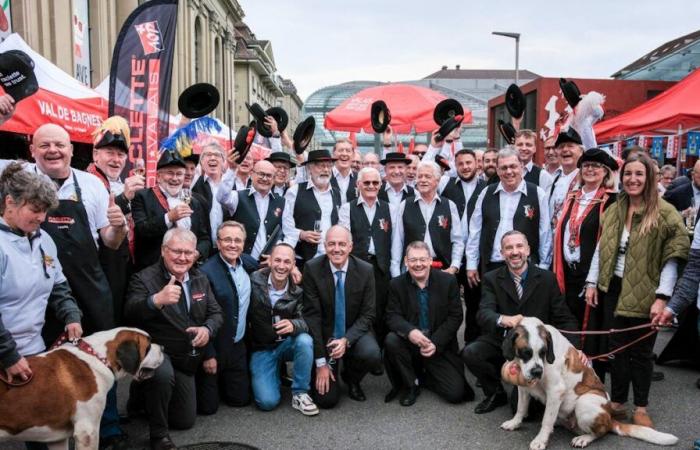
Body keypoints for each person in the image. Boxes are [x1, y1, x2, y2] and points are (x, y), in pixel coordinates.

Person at [584, 153, 689, 428]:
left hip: (647, 292)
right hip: (614, 288)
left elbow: (672, 257)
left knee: (641, 353)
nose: (633, 179)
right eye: (628, 173)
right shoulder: (614, 208)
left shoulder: (665, 213)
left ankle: (641, 407)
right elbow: (601, 249)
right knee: (616, 349)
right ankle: (618, 401)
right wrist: (593, 283)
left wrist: (662, 297)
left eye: (639, 174)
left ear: (649, 177)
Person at [0, 164, 83, 450]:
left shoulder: (44, 239)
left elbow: (58, 284)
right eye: (35, 209)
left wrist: (71, 314)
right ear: (10, 202)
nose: (42, 217)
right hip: (6, 352)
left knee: (40, 424)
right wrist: (8, 355)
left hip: (33, 349)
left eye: (45, 210)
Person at [125, 228, 223, 450]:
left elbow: (216, 313)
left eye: (188, 253)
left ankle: (143, 396)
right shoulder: (144, 278)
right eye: (176, 251)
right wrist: (155, 300)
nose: (182, 257)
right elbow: (130, 312)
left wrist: (207, 329)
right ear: (163, 250)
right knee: (161, 374)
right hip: (157, 350)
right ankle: (158, 436)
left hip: (187, 357)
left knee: (184, 421)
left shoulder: (200, 278)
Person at [461, 231, 578, 414]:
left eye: (519, 246)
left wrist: (575, 350)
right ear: (502, 253)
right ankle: (495, 393)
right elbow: (483, 314)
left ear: (528, 250)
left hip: (534, 350)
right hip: (504, 341)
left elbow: (564, 317)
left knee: (528, 413)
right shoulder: (491, 278)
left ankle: (524, 391)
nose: (515, 252)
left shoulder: (547, 278)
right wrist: (503, 319)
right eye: (509, 248)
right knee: (471, 353)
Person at [552, 148, 618, 380]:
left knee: (592, 329)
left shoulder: (611, 201)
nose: (590, 169)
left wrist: (593, 279)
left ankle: (592, 380)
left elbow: (606, 244)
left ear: (605, 172)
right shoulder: (573, 197)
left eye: (596, 166)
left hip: (592, 274)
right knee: (568, 323)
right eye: (586, 165)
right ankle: (569, 376)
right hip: (568, 273)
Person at [384, 241, 474, 406]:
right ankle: (411, 384)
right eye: (413, 260)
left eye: (423, 259)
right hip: (411, 343)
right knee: (391, 340)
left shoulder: (448, 282)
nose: (418, 264)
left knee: (456, 394)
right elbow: (392, 316)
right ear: (406, 261)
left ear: (430, 261)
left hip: (439, 344)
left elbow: (455, 317)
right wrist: (410, 332)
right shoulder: (396, 284)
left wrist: (435, 343)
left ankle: (423, 375)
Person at [302, 225, 381, 408]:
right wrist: (321, 363)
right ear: (324, 245)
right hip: (325, 336)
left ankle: (352, 378)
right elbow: (312, 318)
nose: (336, 249)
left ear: (350, 247)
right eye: (331, 244)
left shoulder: (366, 270)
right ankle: (330, 368)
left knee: (372, 353)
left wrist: (346, 340)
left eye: (342, 244)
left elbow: (368, 314)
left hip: (353, 332)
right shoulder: (312, 269)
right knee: (326, 401)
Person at [247, 243, 319, 415]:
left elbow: (308, 320)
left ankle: (300, 392)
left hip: (286, 344)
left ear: (294, 264)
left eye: (287, 262)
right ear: (269, 261)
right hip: (262, 348)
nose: (281, 266)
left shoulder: (298, 290)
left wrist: (294, 325)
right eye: (277, 260)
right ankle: (275, 373)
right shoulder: (253, 280)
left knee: (305, 340)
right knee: (267, 402)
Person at [89, 116, 145, 325]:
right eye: (109, 153)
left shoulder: (119, 182)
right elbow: (101, 220)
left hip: (124, 265)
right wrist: (124, 199)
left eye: (120, 154)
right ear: (96, 154)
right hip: (102, 267)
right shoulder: (89, 181)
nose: (116, 159)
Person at [466, 147, 552, 283]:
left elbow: (545, 233)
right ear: (498, 170)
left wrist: (543, 266)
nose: (509, 172)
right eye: (504, 168)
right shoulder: (486, 192)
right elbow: (475, 231)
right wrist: (471, 264)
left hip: (526, 267)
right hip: (492, 266)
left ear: (522, 167)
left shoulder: (537, 193)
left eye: (513, 166)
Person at [196, 222, 256, 414]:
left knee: (240, 400)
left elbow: (269, 266)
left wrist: (294, 269)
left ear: (244, 243)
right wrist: (208, 354)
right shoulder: (206, 272)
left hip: (237, 346)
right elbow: (199, 317)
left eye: (237, 240)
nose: (233, 244)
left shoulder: (247, 263)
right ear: (218, 242)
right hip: (214, 347)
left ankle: (225, 382)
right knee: (208, 408)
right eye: (227, 240)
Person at [132, 150, 211, 270]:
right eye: (170, 173)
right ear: (158, 176)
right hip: (153, 271)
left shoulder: (194, 202)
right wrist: (169, 218)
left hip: (187, 269)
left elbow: (204, 239)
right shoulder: (142, 197)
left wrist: (196, 253)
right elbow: (141, 231)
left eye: (179, 174)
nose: (175, 178)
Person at [339, 167, 393, 344]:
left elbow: (396, 240)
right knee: (358, 306)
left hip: (381, 266)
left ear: (381, 185)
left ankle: (379, 351)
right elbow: (344, 238)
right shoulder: (347, 208)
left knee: (381, 307)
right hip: (357, 266)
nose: (371, 185)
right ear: (358, 184)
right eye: (367, 182)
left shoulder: (390, 209)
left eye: (375, 182)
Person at [440, 149, 486, 343]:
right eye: (461, 164)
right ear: (455, 166)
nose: (465, 167)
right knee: (446, 303)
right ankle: (446, 345)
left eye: (469, 163)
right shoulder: (445, 185)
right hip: (449, 255)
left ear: (477, 163)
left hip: (475, 256)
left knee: (474, 302)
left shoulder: (487, 187)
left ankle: (470, 344)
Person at [390, 161, 464, 277]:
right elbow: (397, 241)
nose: (423, 180)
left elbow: (458, 240)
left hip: (442, 270)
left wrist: (454, 267)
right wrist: (396, 273)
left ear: (437, 180)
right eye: (420, 176)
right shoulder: (405, 205)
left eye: (428, 176)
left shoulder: (449, 205)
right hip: (411, 271)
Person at [217, 160, 284, 263]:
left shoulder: (281, 201)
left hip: (268, 263)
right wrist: (231, 169)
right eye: (261, 174)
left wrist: (276, 255)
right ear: (252, 174)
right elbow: (221, 197)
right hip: (240, 262)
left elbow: (286, 233)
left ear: (274, 179)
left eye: (269, 176)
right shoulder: (238, 196)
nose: (265, 178)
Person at [282, 149, 341, 267]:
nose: (325, 170)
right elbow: (285, 225)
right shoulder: (294, 191)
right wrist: (301, 234)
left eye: (329, 166)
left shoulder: (337, 193)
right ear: (309, 168)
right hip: (304, 259)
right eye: (320, 166)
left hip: (330, 258)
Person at [191, 140, 227, 244]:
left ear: (223, 161)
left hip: (226, 245)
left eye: (217, 155)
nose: (212, 158)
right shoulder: (194, 184)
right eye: (208, 155)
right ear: (201, 162)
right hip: (202, 244)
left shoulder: (231, 185)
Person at [549, 128, 584, 228]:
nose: (565, 150)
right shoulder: (554, 178)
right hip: (553, 237)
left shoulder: (585, 178)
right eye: (561, 147)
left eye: (570, 146)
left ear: (581, 150)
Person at [329, 138, 357, 204]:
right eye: (340, 150)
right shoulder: (325, 177)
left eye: (348, 151)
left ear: (353, 155)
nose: (344, 154)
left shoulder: (360, 178)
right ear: (333, 154)